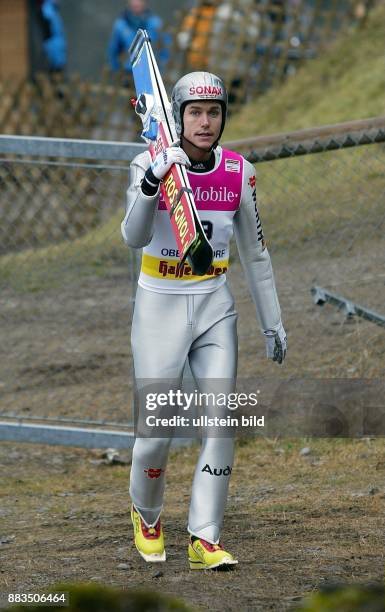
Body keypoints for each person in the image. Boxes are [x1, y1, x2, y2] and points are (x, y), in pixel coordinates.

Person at [121, 72, 287, 569]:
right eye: (194, 112)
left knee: (221, 425)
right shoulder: (148, 161)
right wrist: (152, 180)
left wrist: (272, 322)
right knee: (157, 429)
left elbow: (256, 255)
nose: (205, 122)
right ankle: (147, 515)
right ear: (177, 116)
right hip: (159, 305)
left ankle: (204, 536)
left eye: (214, 112)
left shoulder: (240, 172)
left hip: (215, 305)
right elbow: (132, 236)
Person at [108, 0, 169, 73]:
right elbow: (113, 52)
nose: (136, 3)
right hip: (127, 73)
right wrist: (117, 72)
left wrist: (161, 71)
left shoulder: (156, 24)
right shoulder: (120, 26)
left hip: (152, 73)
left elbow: (166, 50)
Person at [38, 0, 67, 73]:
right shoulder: (47, 9)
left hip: (56, 41)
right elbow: (47, 27)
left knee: (58, 64)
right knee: (54, 66)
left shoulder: (52, 9)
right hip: (52, 42)